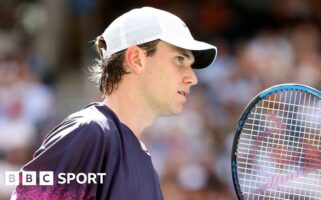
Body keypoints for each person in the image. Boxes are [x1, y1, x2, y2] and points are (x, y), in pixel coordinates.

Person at [11, 6, 217, 200]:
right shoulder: (91, 133)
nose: (192, 78)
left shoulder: (144, 163)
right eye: (180, 59)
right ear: (137, 59)